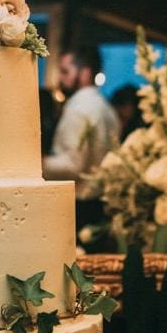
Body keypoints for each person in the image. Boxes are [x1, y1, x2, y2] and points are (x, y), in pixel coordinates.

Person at [43, 47, 120, 232]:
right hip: (99, 203)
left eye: (65, 71)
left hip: (79, 205)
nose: (59, 78)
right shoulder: (106, 107)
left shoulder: (79, 107)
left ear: (85, 73)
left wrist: (36, 162)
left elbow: (73, 166)